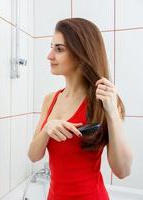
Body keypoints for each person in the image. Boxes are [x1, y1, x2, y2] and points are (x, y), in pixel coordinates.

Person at [28, 18, 132, 200]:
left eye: (59, 49)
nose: (49, 55)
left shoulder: (104, 101)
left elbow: (122, 171)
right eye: (51, 47)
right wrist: (46, 130)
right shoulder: (49, 100)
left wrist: (113, 113)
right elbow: (33, 156)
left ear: (81, 53)